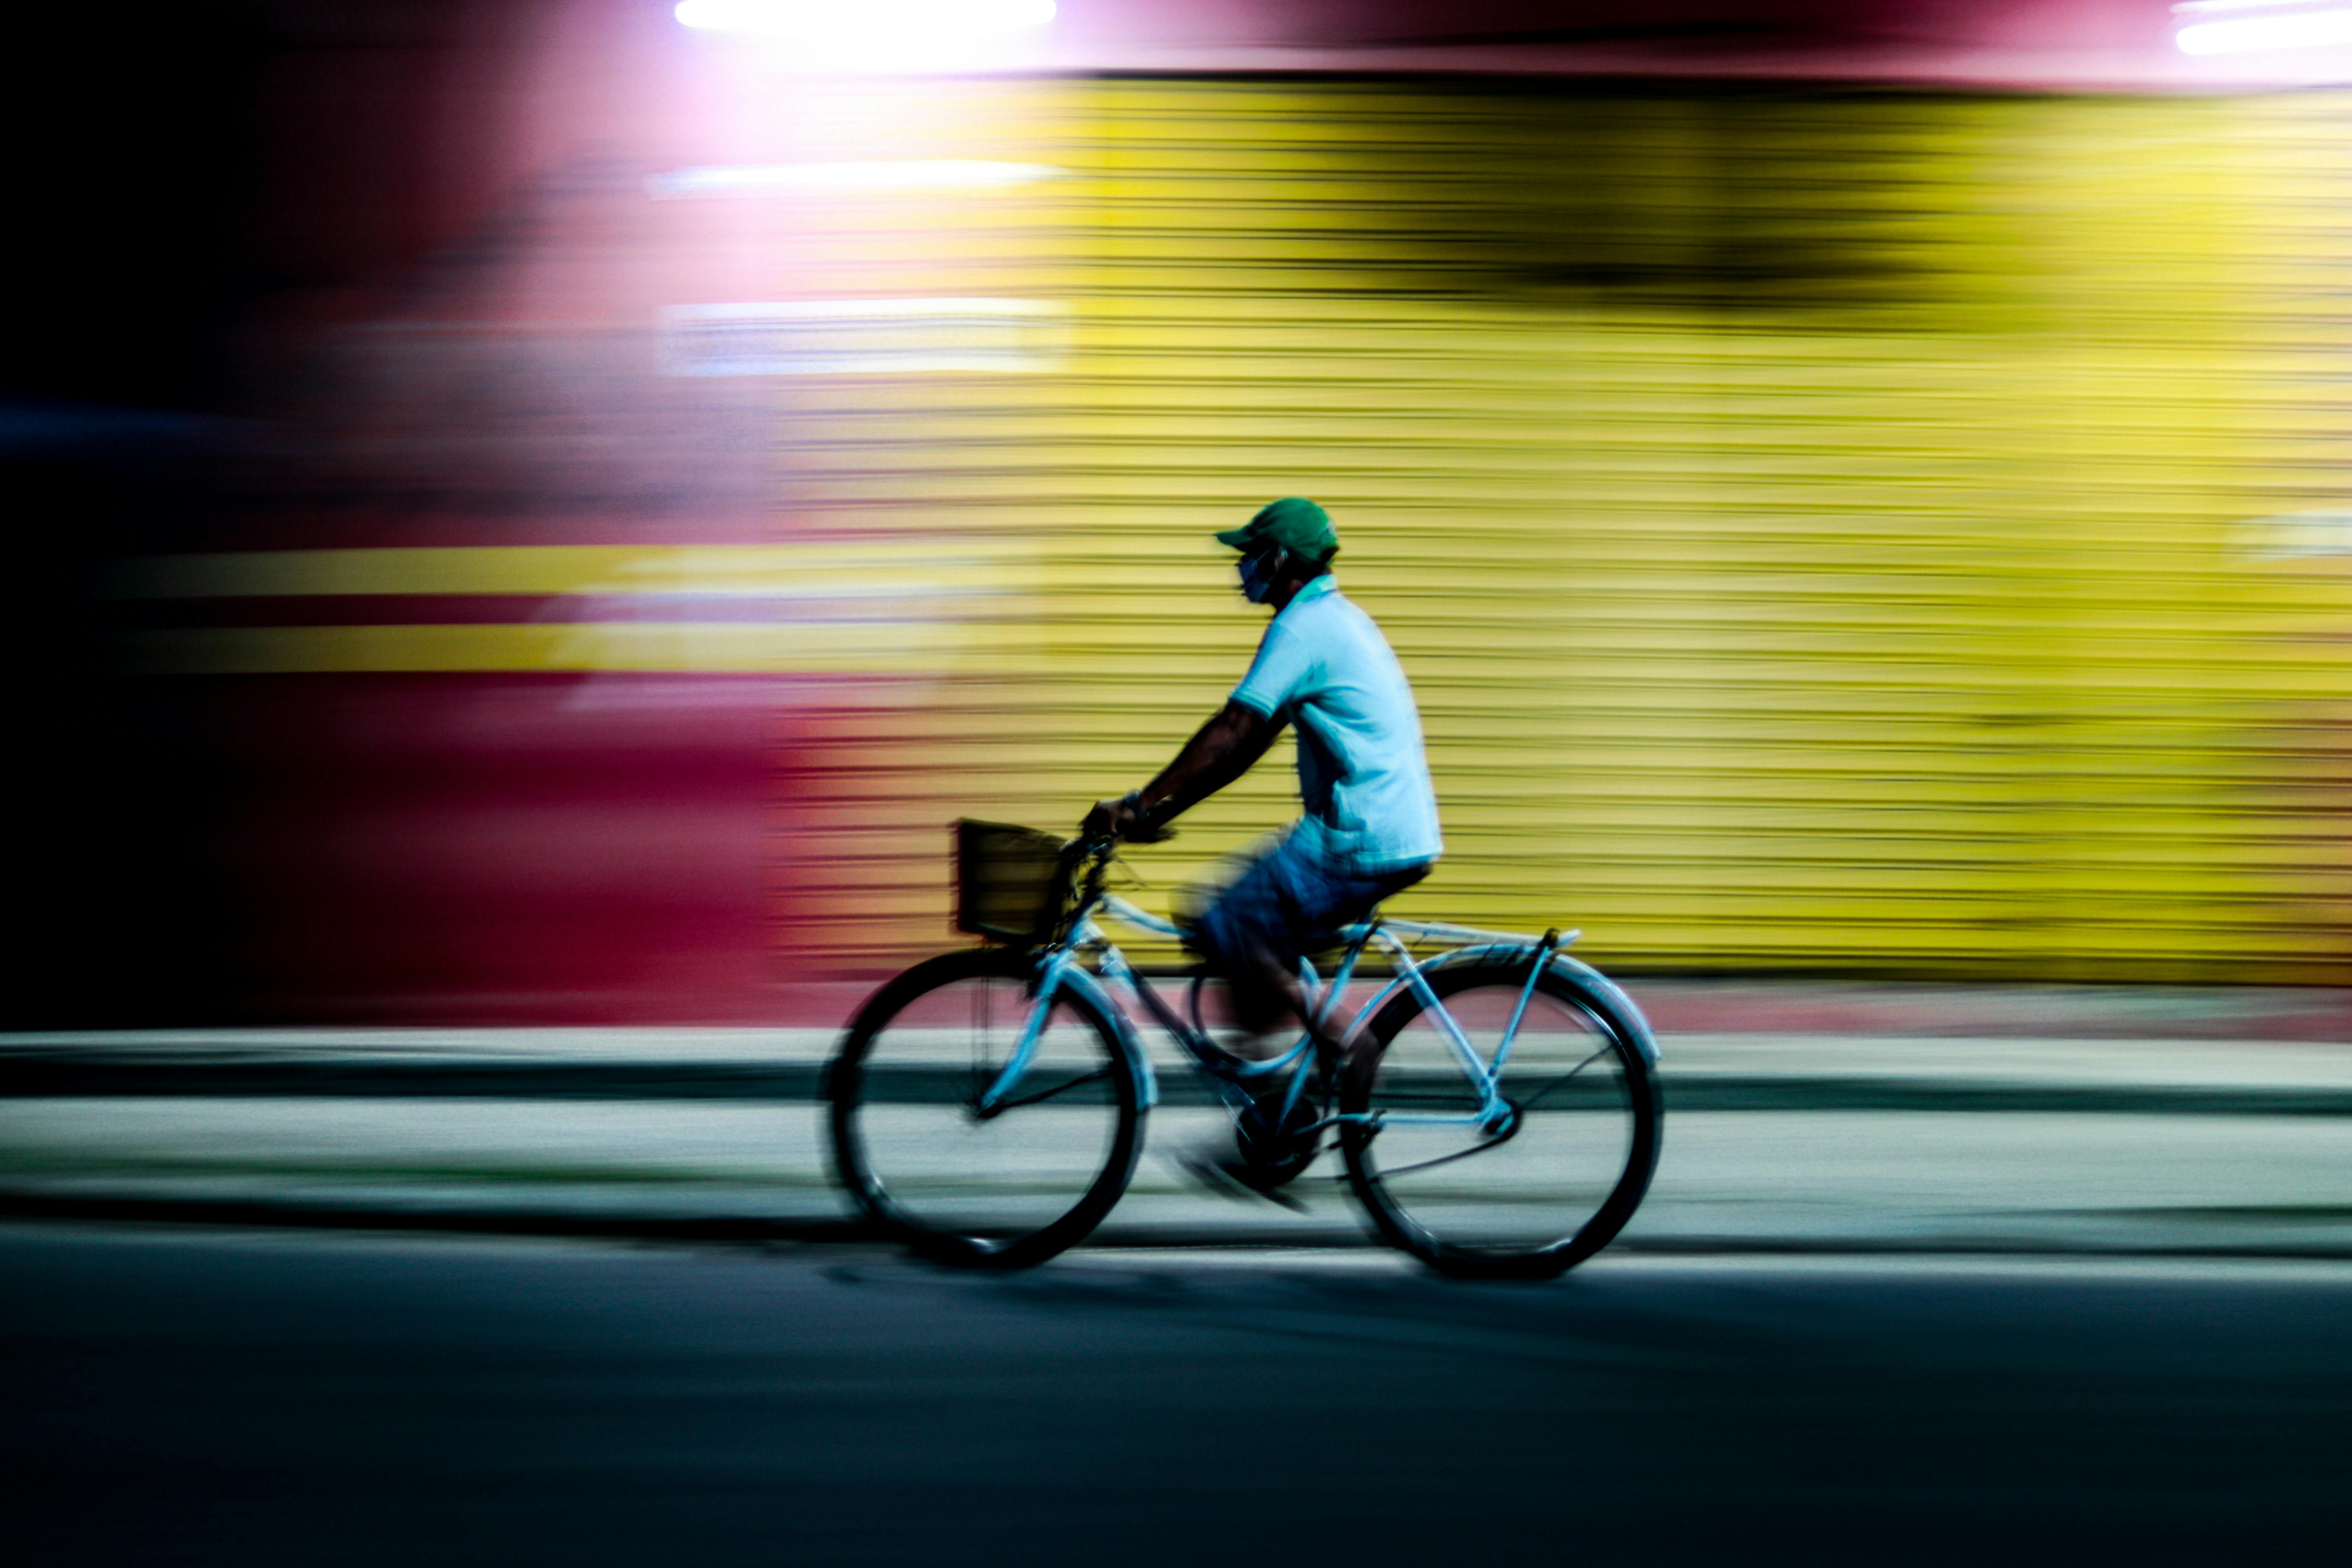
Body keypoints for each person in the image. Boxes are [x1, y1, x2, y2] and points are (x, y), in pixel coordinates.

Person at [1084, 497, 1444, 1187]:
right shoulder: (1330, 619)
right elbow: (1245, 746)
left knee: (1225, 918)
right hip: (1383, 827)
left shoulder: (1304, 627)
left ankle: (1348, 1044)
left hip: (1360, 835)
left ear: (1278, 562)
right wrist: (1162, 805)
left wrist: (1138, 806)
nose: (1241, 568)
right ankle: (1272, 1114)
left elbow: (1232, 731)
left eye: (1249, 555)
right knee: (1237, 926)